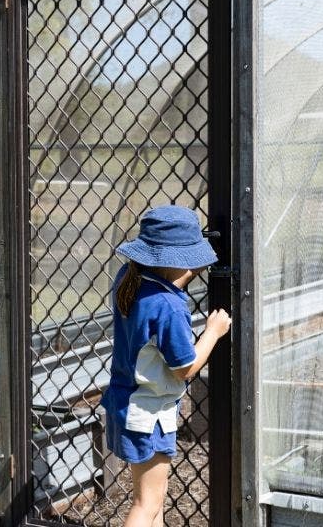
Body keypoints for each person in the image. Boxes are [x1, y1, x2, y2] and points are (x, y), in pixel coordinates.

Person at [100, 205, 232, 527]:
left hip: (128, 403)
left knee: (155, 504)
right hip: (147, 413)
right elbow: (184, 368)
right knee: (146, 505)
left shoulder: (129, 278)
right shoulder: (168, 305)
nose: (193, 272)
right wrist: (212, 333)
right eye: (191, 265)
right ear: (175, 262)